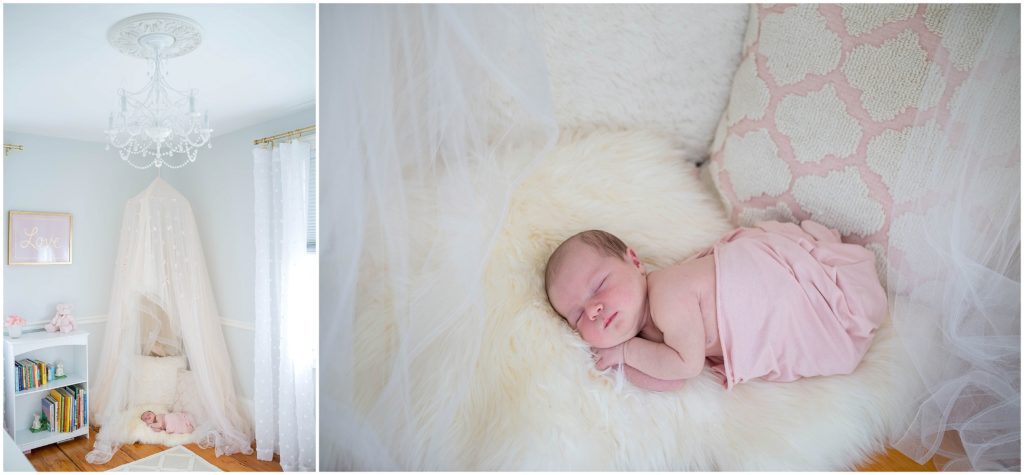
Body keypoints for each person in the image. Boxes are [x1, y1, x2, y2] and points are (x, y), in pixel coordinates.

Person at [544, 220, 887, 391]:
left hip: (762, 289)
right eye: (577, 315)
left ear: (634, 261)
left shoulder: (666, 291)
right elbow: (672, 381)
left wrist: (624, 354)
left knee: (826, 337)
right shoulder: (650, 335)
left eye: (600, 285)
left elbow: (686, 365)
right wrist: (621, 363)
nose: (594, 309)